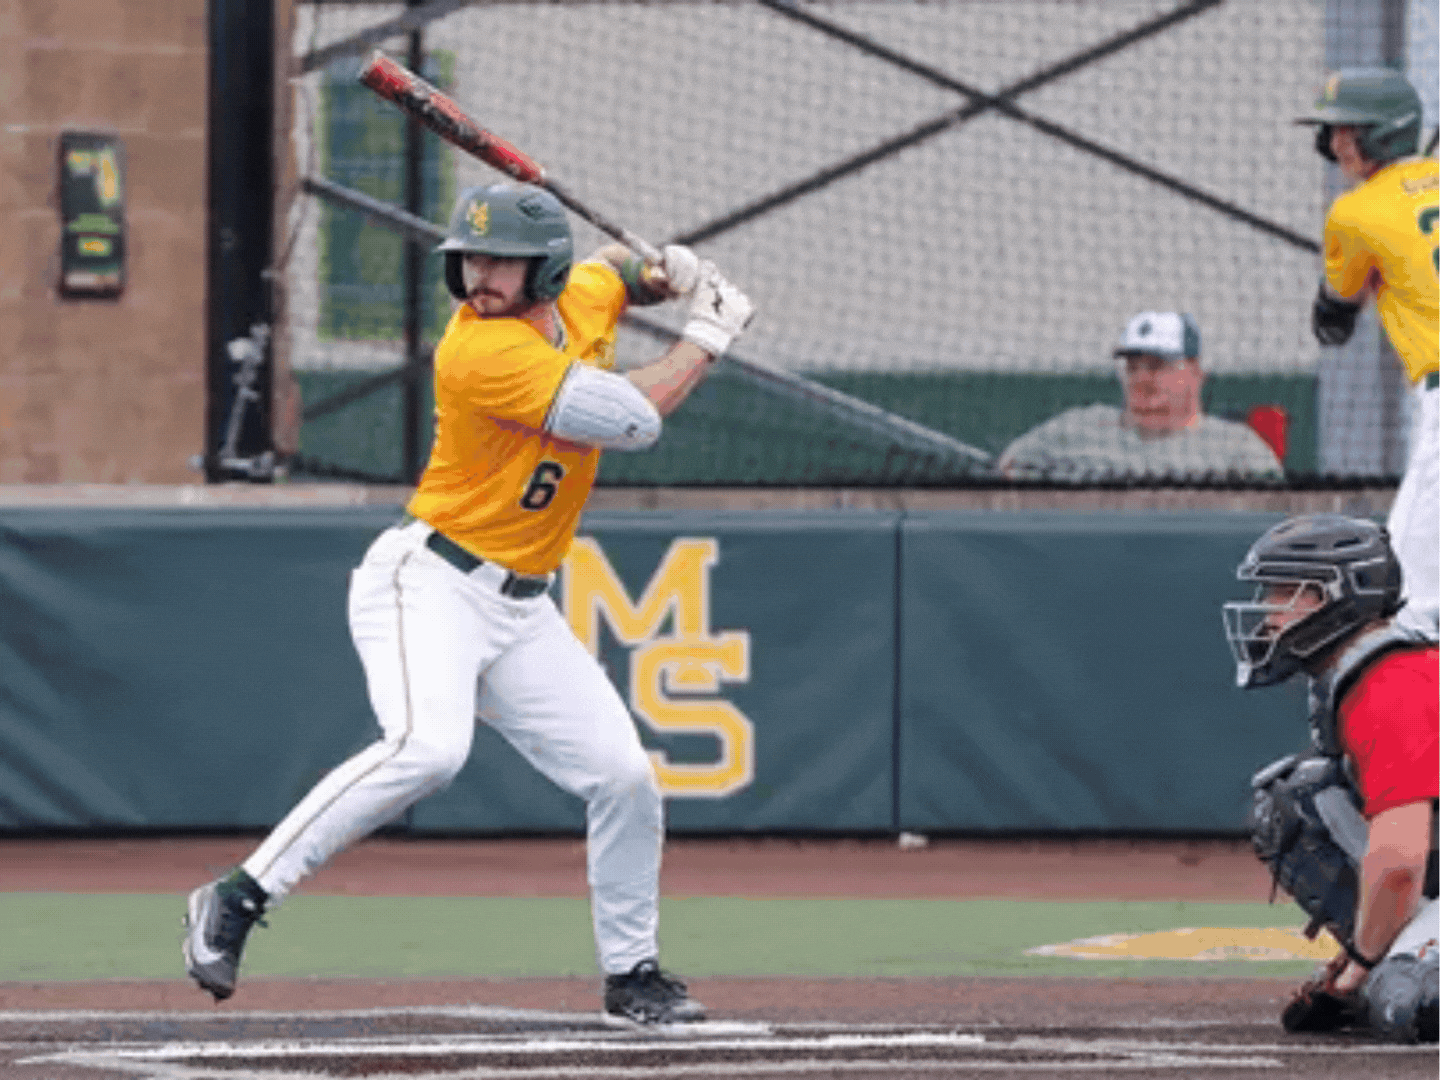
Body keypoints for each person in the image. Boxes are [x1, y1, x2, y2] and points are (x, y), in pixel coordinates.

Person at [182, 182, 755, 1023]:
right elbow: (634, 419)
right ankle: (237, 895)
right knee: (428, 750)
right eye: (471, 259)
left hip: (522, 607)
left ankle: (632, 974)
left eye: (500, 261)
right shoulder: (478, 351)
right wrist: (708, 333)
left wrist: (656, 274)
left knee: (625, 778)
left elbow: (608, 272)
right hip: (431, 583)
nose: (479, 275)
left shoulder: (577, 297)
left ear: (544, 271)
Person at [1224, 514, 1437, 1043]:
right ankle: (1405, 950)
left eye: (1285, 593)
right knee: (1298, 801)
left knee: (1408, 1001)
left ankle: (1400, 961)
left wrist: (1358, 968)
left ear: (1335, 597)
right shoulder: (1372, 672)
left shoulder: (1392, 684)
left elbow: (1400, 864)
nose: (1269, 612)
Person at [1296, 67, 1439, 640]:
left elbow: (1334, 320)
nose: (1335, 144)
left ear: (1384, 132)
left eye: (1347, 130)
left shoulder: (1356, 213)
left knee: (1408, 592)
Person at [996, 311, 1283, 482]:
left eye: (1157, 366)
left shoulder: (1235, 448)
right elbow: (1008, 470)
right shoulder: (1077, 430)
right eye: (1133, 368)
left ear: (1196, 373)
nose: (1142, 378)